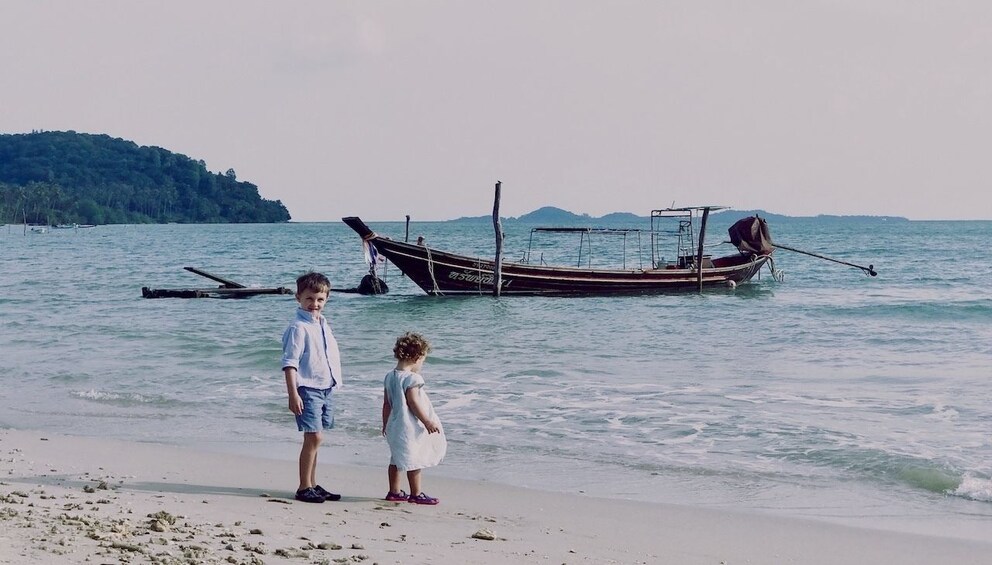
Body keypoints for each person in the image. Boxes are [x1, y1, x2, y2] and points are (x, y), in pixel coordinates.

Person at [281, 271, 343, 503]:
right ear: (298, 297)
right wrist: (293, 393)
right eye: (309, 299)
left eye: (320, 299)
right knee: (313, 437)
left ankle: (313, 484)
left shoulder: (322, 324)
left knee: (317, 437)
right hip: (307, 388)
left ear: (326, 299)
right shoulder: (299, 327)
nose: (314, 304)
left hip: (326, 387)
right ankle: (303, 487)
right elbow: (289, 363)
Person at [381, 332, 446, 505]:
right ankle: (416, 494)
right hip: (408, 425)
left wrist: (385, 424)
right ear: (417, 357)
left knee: (396, 458)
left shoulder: (389, 376)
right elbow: (413, 402)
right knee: (414, 458)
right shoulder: (412, 378)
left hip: (394, 425)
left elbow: (386, 404)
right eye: (423, 360)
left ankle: (394, 491)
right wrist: (427, 421)